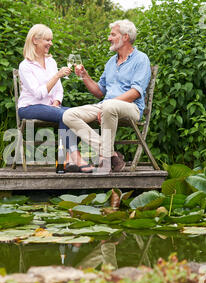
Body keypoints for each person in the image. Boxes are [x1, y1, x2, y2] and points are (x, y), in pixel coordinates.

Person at [63, 19, 151, 173]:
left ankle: (107, 158)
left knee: (109, 106)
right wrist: (85, 75)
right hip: (106, 105)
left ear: (125, 37)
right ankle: (111, 155)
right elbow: (99, 92)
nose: (109, 38)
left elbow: (135, 93)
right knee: (69, 115)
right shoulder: (111, 62)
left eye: (112, 35)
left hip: (132, 107)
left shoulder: (141, 59)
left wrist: (106, 105)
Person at [18, 24, 94, 173]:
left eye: (51, 40)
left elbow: (58, 89)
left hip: (51, 107)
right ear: (35, 40)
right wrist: (57, 75)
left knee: (77, 113)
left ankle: (66, 158)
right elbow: (38, 94)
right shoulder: (25, 66)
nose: (50, 44)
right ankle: (75, 156)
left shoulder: (51, 62)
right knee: (65, 115)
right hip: (29, 107)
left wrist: (56, 102)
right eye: (47, 40)